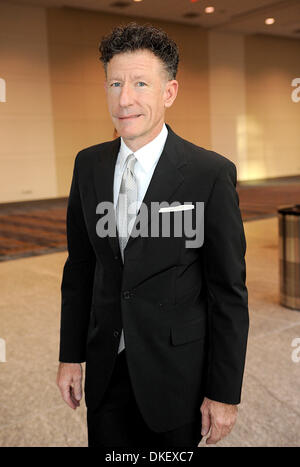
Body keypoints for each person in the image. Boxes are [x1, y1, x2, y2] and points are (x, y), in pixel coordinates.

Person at [56, 22, 249, 448]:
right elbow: (81, 269)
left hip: (176, 374)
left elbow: (228, 292)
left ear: (169, 92)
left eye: (141, 83)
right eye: (115, 83)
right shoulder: (88, 166)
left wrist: (224, 393)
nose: (125, 98)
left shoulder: (208, 174)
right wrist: (71, 355)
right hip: (107, 370)